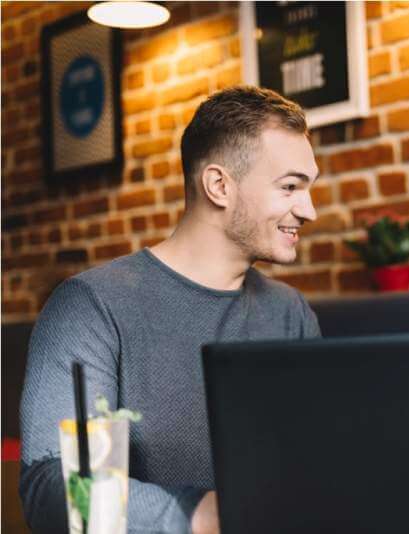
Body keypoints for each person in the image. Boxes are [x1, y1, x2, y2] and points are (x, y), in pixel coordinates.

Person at [20, 86, 320, 534]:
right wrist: (209, 515)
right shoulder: (92, 308)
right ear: (219, 185)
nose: (309, 210)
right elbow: (55, 484)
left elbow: (317, 457)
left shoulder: (290, 312)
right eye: (291, 187)